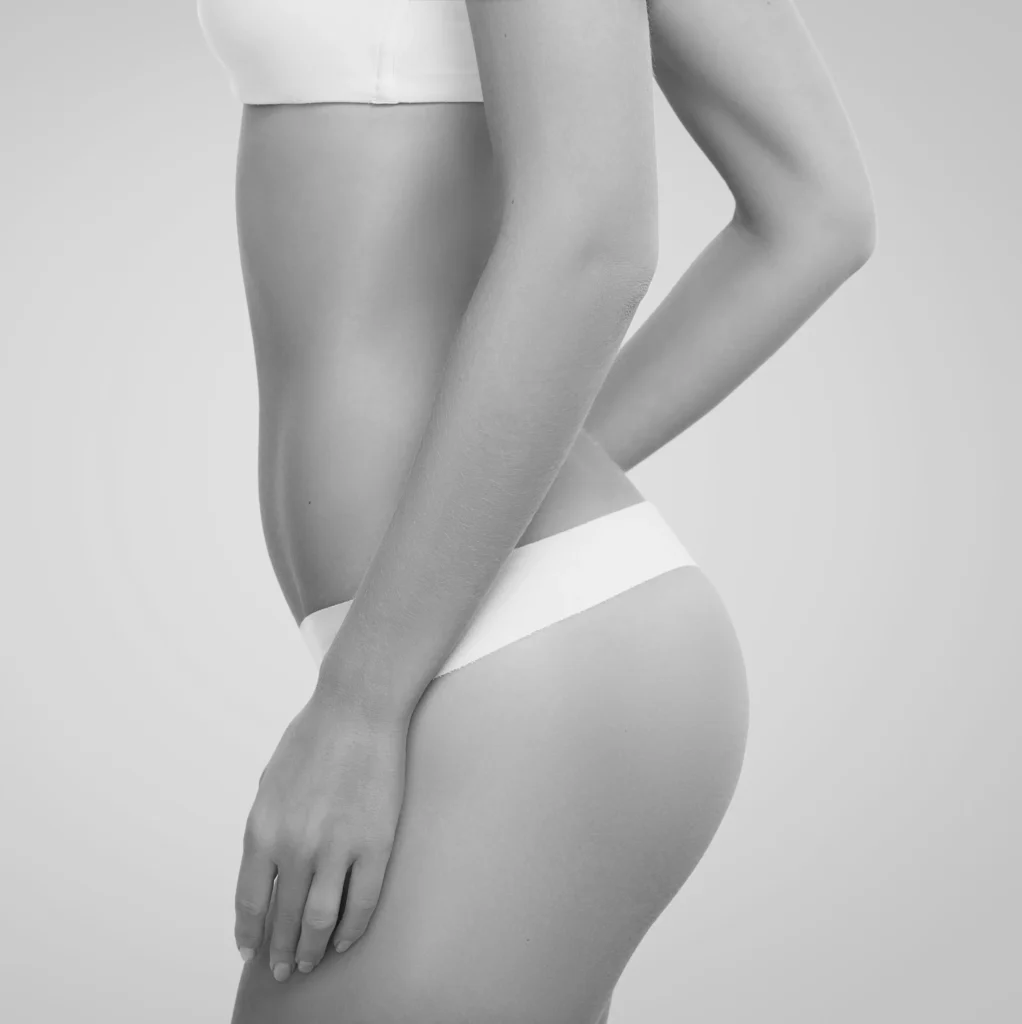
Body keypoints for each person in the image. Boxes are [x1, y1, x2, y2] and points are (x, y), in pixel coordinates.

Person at [196, 1, 876, 1021]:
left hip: (507, 669)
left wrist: (358, 706)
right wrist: (497, 482)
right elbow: (816, 211)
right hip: (497, 642)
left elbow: (594, 238)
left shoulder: (382, 690)